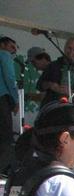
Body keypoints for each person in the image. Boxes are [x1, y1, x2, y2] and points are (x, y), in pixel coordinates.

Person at [37, 37, 74, 106]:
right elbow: (39, 85)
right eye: (69, 48)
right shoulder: (53, 65)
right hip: (52, 106)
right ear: (65, 48)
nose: (71, 52)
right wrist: (51, 85)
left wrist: (72, 93)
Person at [0, 36, 18, 173]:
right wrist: (16, 100)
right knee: (6, 137)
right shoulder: (4, 55)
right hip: (2, 99)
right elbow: (10, 78)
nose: (14, 51)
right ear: (3, 45)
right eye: (12, 47)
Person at [22, 47, 51, 124]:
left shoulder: (52, 71)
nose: (33, 65)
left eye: (34, 62)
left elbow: (46, 96)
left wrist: (28, 96)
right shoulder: (46, 73)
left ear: (43, 58)